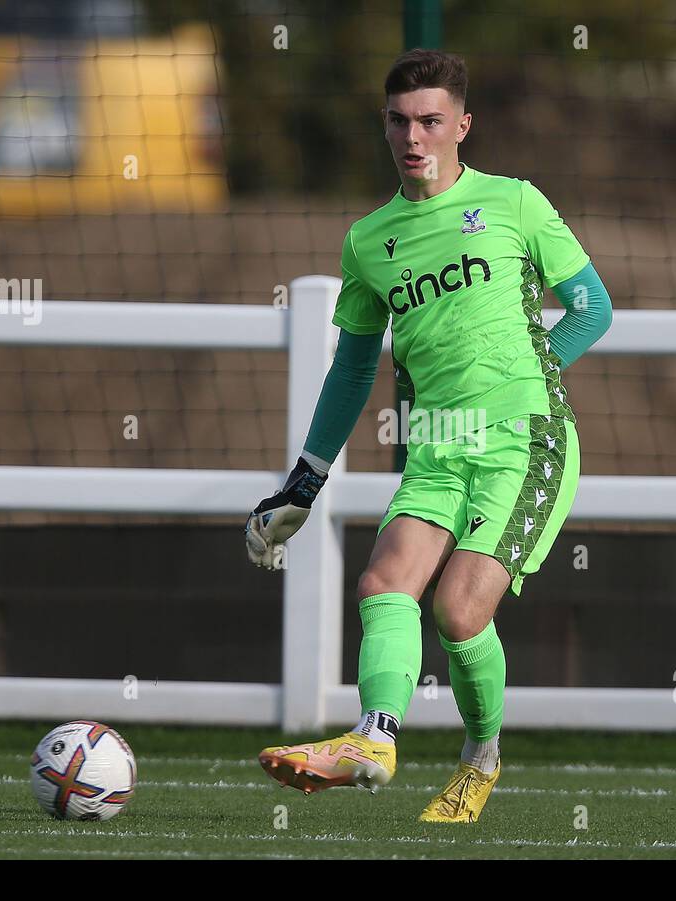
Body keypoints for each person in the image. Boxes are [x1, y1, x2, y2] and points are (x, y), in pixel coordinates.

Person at [245, 48, 613, 823]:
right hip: (436, 445)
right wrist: (302, 485)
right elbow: (350, 372)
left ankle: (482, 758)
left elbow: (592, 308)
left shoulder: (514, 202)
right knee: (383, 584)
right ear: (384, 126)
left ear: (462, 126)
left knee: (458, 612)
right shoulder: (369, 240)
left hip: (524, 439)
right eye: (400, 121)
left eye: (431, 122)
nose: (414, 137)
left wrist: (534, 380)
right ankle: (373, 740)